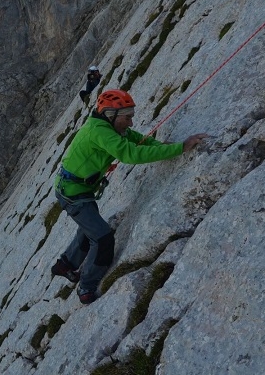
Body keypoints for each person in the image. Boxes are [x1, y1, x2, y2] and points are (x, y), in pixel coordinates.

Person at [52, 89, 208, 304]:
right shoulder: (100, 132)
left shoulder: (111, 127)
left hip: (78, 189)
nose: (131, 123)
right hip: (72, 193)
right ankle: (86, 286)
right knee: (102, 237)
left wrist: (169, 148)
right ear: (110, 115)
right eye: (128, 117)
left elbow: (139, 141)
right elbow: (131, 154)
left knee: (90, 227)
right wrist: (180, 148)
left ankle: (66, 264)